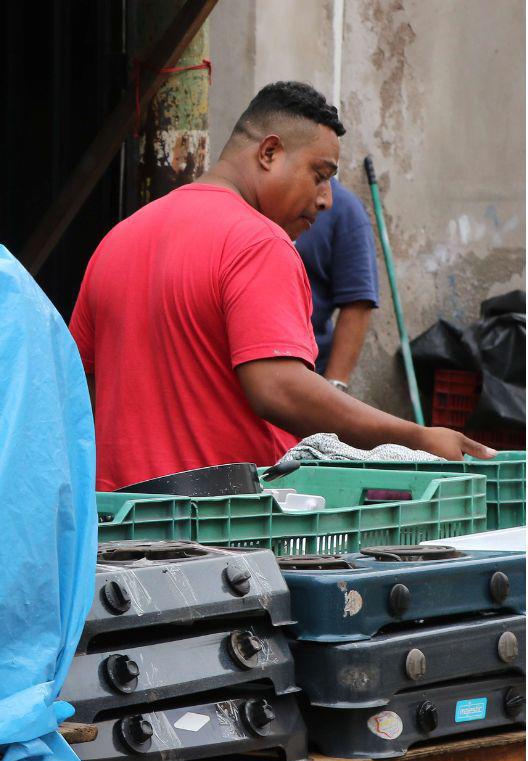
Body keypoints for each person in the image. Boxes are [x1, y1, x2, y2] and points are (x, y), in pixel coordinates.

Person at [68, 81, 491, 491]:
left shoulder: (117, 239)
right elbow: (279, 389)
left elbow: (81, 389)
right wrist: (415, 438)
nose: (326, 199)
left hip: (118, 523)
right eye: (319, 174)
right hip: (226, 531)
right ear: (269, 152)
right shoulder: (258, 241)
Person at [295, 178, 379, 389]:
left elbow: (357, 302)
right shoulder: (255, 200)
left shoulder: (343, 210)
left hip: (307, 370)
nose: (325, 200)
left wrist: (334, 385)